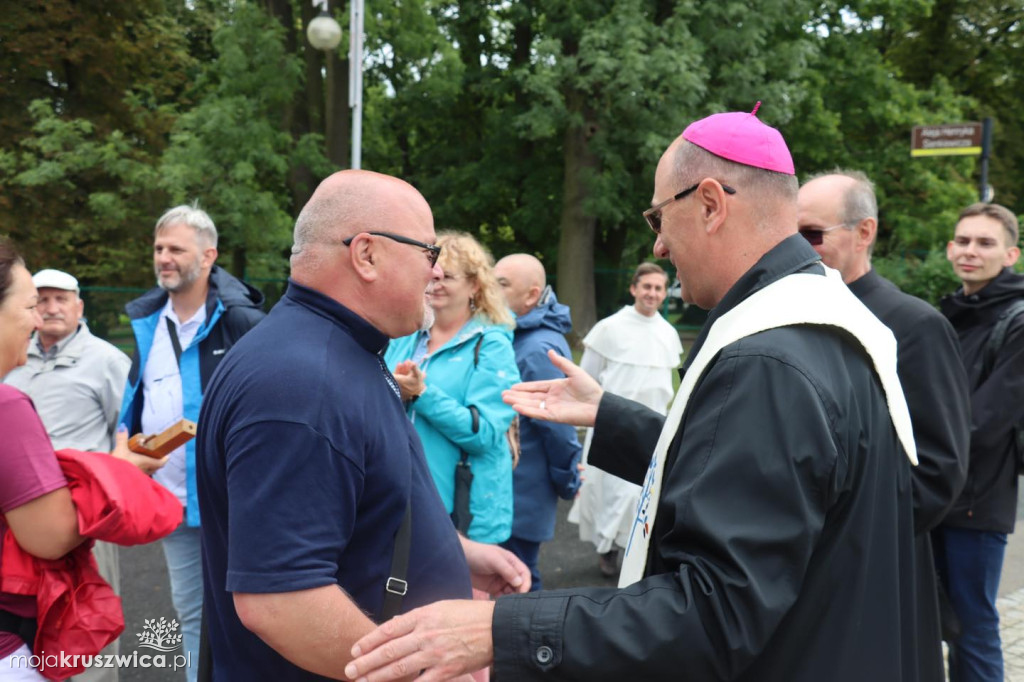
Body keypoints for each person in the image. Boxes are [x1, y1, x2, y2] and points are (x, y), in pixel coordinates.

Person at [345, 108, 922, 682]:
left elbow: (715, 612)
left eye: (657, 217)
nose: (661, 248)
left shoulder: (767, 357)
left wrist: (499, 630)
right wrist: (609, 417)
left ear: (712, 203)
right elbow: (762, 475)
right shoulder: (822, 319)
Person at [195, 170, 530, 680]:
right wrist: (427, 672)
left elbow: (348, 508)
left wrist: (454, 553)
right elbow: (281, 601)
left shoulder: (337, 351)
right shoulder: (300, 383)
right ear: (366, 255)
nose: (434, 274)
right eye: (429, 253)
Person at [797, 171, 970, 682]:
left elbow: (938, 473)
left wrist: (838, 528)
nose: (798, 248)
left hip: (871, 573)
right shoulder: (793, 314)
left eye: (812, 234)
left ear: (864, 232)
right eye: (790, 234)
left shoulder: (913, 326)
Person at [116, 204, 265, 681]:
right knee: (190, 611)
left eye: (176, 249)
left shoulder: (241, 321)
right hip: (174, 500)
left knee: (250, 612)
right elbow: (135, 396)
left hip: (234, 499)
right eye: (159, 248)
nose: (164, 257)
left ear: (208, 255)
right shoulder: (146, 321)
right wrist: (125, 437)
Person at [0, 240, 160, 680]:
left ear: (79, 305)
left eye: (54, 301)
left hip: (76, 517)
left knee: (88, 640)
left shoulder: (108, 360)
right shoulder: (7, 405)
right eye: (33, 303)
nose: (40, 315)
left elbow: (124, 424)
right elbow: (50, 537)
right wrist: (122, 472)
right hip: (22, 596)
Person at [935, 202, 1024, 681]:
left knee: (972, 626)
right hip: (935, 495)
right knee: (938, 623)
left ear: (1011, 254)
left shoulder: (1017, 320)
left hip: (977, 503)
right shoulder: (952, 313)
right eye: (964, 240)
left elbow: (985, 420)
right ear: (950, 248)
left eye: (986, 243)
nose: (971, 251)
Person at [385, 232, 520, 544]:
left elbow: (485, 433)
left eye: (447, 276)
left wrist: (422, 394)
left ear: (474, 285)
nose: (435, 283)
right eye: (431, 275)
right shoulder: (405, 335)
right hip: (400, 501)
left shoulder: (491, 345)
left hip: (460, 513)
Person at [567, 262, 682, 577]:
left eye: (659, 288)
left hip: (652, 428)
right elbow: (587, 378)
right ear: (634, 289)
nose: (652, 293)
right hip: (613, 425)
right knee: (616, 494)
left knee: (642, 495)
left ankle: (634, 552)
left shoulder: (668, 334)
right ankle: (608, 548)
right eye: (647, 287)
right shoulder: (609, 328)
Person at [492, 254, 582, 590]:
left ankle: (532, 642)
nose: (489, 290)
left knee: (518, 580)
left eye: (501, 284)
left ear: (531, 296)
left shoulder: (535, 349)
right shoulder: (520, 336)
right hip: (516, 488)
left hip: (522, 494)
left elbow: (557, 427)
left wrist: (568, 477)